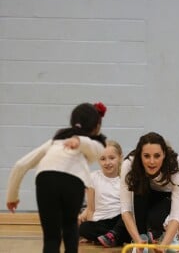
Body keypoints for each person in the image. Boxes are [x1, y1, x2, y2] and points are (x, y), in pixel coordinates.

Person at [6, 102, 106, 253]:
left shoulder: (55, 141)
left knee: (51, 237)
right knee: (70, 228)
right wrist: (80, 141)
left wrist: (12, 196)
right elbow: (96, 149)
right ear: (97, 126)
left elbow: (21, 165)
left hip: (45, 179)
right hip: (73, 181)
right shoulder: (96, 144)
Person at [120, 132, 179, 253]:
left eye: (157, 156)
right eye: (146, 156)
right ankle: (142, 239)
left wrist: (164, 245)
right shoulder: (129, 164)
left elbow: (176, 214)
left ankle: (169, 235)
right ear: (140, 156)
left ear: (164, 155)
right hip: (145, 192)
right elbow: (125, 210)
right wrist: (137, 240)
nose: (152, 162)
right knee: (140, 188)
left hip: (166, 197)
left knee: (155, 220)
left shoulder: (176, 165)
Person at [78, 140, 131, 247]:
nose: (107, 163)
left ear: (120, 157)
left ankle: (113, 235)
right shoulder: (93, 178)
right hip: (101, 222)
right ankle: (112, 237)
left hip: (119, 219)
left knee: (127, 218)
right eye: (102, 159)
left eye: (112, 158)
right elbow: (91, 209)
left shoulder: (125, 178)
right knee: (83, 228)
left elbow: (128, 207)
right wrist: (88, 234)